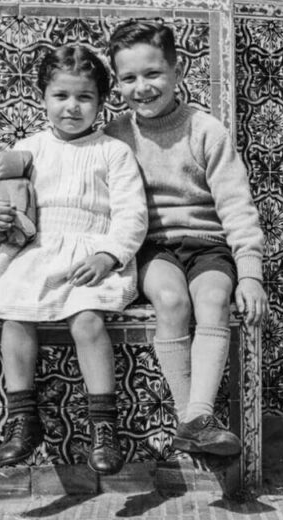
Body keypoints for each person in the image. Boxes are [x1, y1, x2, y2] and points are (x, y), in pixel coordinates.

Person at [0, 45, 148, 475]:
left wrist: (108, 255)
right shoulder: (28, 150)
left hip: (90, 256)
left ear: (102, 103)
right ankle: (22, 420)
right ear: (43, 98)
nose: (72, 107)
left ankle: (105, 426)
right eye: (61, 96)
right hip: (35, 253)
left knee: (87, 320)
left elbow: (132, 214)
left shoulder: (113, 152)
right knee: (15, 316)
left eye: (84, 97)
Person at [104, 20, 268, 459]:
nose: (142, 86)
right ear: (117, 84)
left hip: (208, 244)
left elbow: (237, 207)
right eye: (128, 78)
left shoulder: (206, 131)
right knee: (171, 301)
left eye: (153, 73)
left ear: (178, 72)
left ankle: (197, 417)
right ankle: (189, 418)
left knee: (215, 298)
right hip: (153, 246)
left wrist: (249, 274)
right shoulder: (115, 137)